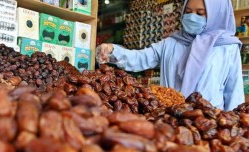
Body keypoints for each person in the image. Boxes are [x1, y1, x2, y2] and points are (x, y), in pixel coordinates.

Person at [96, 0, 244, 111]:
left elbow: (234, 93)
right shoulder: (171, 43)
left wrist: (234, 129)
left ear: (216, 15)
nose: (192, 17)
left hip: (209, 126)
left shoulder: (227, 48)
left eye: (200, 13)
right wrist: (112, 50)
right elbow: (140, 58)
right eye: (188, 11)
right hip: (170, 118)